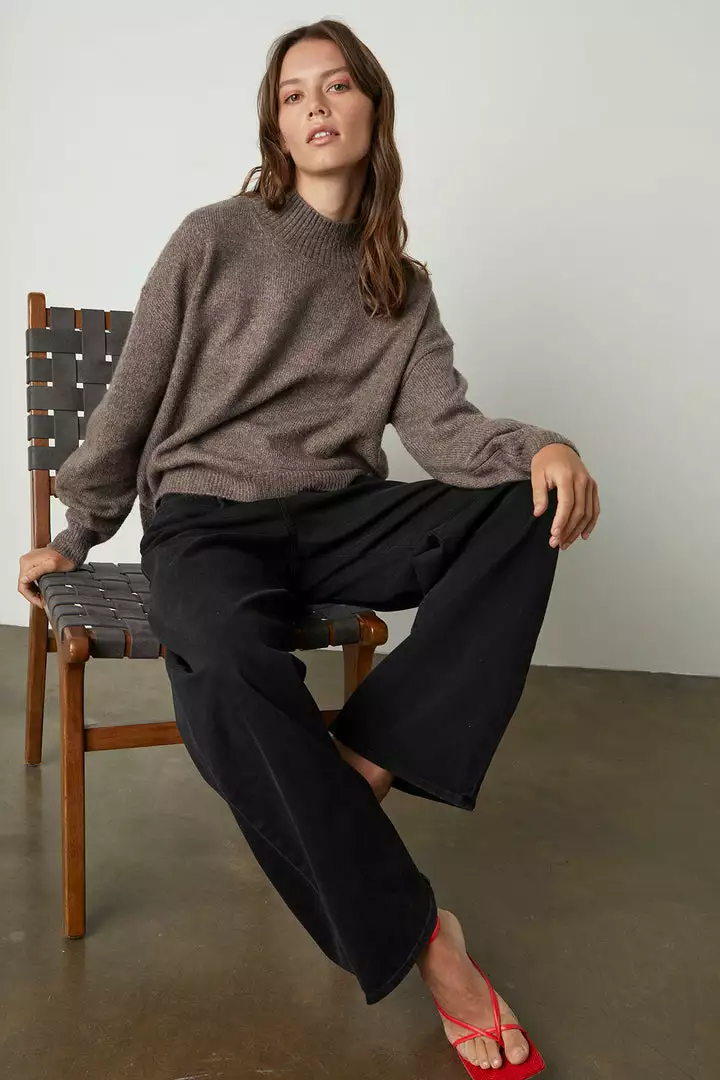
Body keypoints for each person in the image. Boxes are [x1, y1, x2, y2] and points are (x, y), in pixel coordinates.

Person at [18, 19, 599, 1074]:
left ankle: (364, 758)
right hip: (207, 516)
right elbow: (131, 400)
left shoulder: (401, 287)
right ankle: (426, 941)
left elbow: (446, 433)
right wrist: (77, 534)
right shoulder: (214, 238)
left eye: (336, 87)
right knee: (222, 668)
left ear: (373, 108)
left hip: (335, 515)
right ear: (276, 128)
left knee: (525, 508)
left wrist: (541, 447)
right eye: (293, 95)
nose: (316, 107)